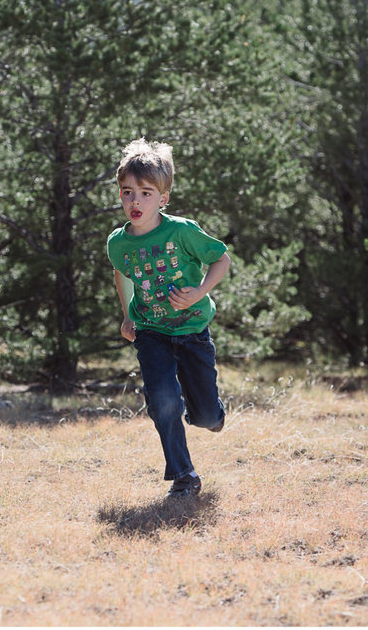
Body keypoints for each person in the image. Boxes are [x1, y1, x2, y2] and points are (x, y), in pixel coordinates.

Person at [107, 139, 232, 498]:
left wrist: (200, 291)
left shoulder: (181, 231)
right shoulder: (118, 243)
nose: (135, 201)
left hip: (192, 329)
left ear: (162, 199)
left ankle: (208, 414)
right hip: (151, 331)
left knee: (206, 417)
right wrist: (127, 314)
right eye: (127, 192)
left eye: (146, 193)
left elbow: (220, 258)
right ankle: (184, 476)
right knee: (163, 401)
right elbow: (121, 274)